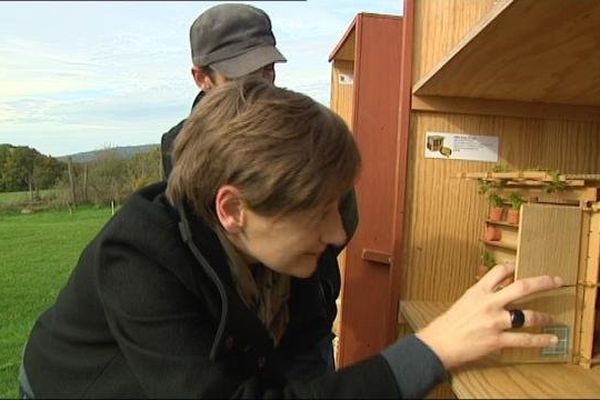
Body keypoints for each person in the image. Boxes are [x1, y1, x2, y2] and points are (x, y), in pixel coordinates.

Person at [20, 78, 563, 398]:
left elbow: (297, 368)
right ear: (233, 210)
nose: (338, 233)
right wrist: (435, 349)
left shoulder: (297, 236)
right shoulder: (139, 258)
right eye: (318, 212)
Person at [159, 2, 358, 374]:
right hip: (227, 339)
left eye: (266, 70)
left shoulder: (301, 131)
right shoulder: (179, 149)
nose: (258, 85)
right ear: (201, 77)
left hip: (303, 334)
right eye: (240, 73)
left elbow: (343, 220)